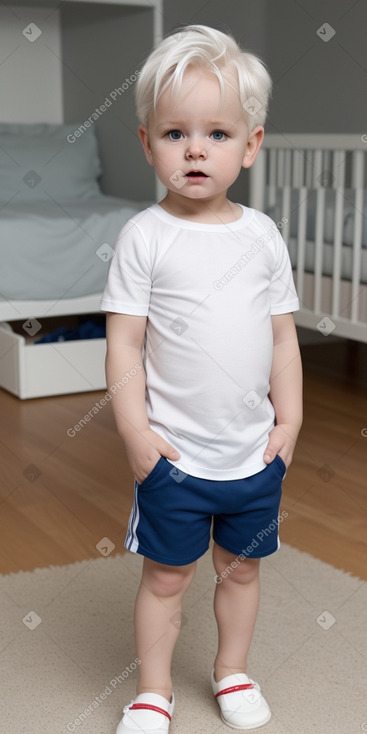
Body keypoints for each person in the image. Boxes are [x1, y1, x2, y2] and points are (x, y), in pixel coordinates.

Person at [101, 24, 302, 733]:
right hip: (176, 457)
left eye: (216, 134)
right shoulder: (144, 237)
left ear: (249, 146)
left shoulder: (262, 236)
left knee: (241, 570)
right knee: (165, 577)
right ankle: (152, 690)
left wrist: (289, 423)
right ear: (146, 142)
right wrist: (135, 432)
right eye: (174, 133)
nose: (194, 149)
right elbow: (123, 341)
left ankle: (230, 671)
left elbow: (281, 336)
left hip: (252, 453)